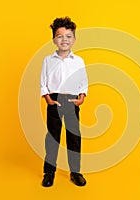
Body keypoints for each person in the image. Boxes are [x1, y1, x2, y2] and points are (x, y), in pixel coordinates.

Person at [40, 16, 88, 187]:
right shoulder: (48, 60)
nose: (64, 40)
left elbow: (83, 81)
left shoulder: (79, 61)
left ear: (74, 39)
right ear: (54, 39)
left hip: (72, 101)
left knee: (74, 137)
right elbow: (43, 81)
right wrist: (47, 98)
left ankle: (75, 172)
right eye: (60, 36)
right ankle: (49, 172)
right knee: (52, 137)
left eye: (68, 36)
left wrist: (82, 96)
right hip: (54, 101)